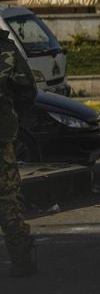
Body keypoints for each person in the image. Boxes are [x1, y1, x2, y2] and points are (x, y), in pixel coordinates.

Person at [1, 28, 39, 277]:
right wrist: (13, 117)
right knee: (6, 198)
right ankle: (22, 258)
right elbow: (27, 90)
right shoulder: (5, 49)